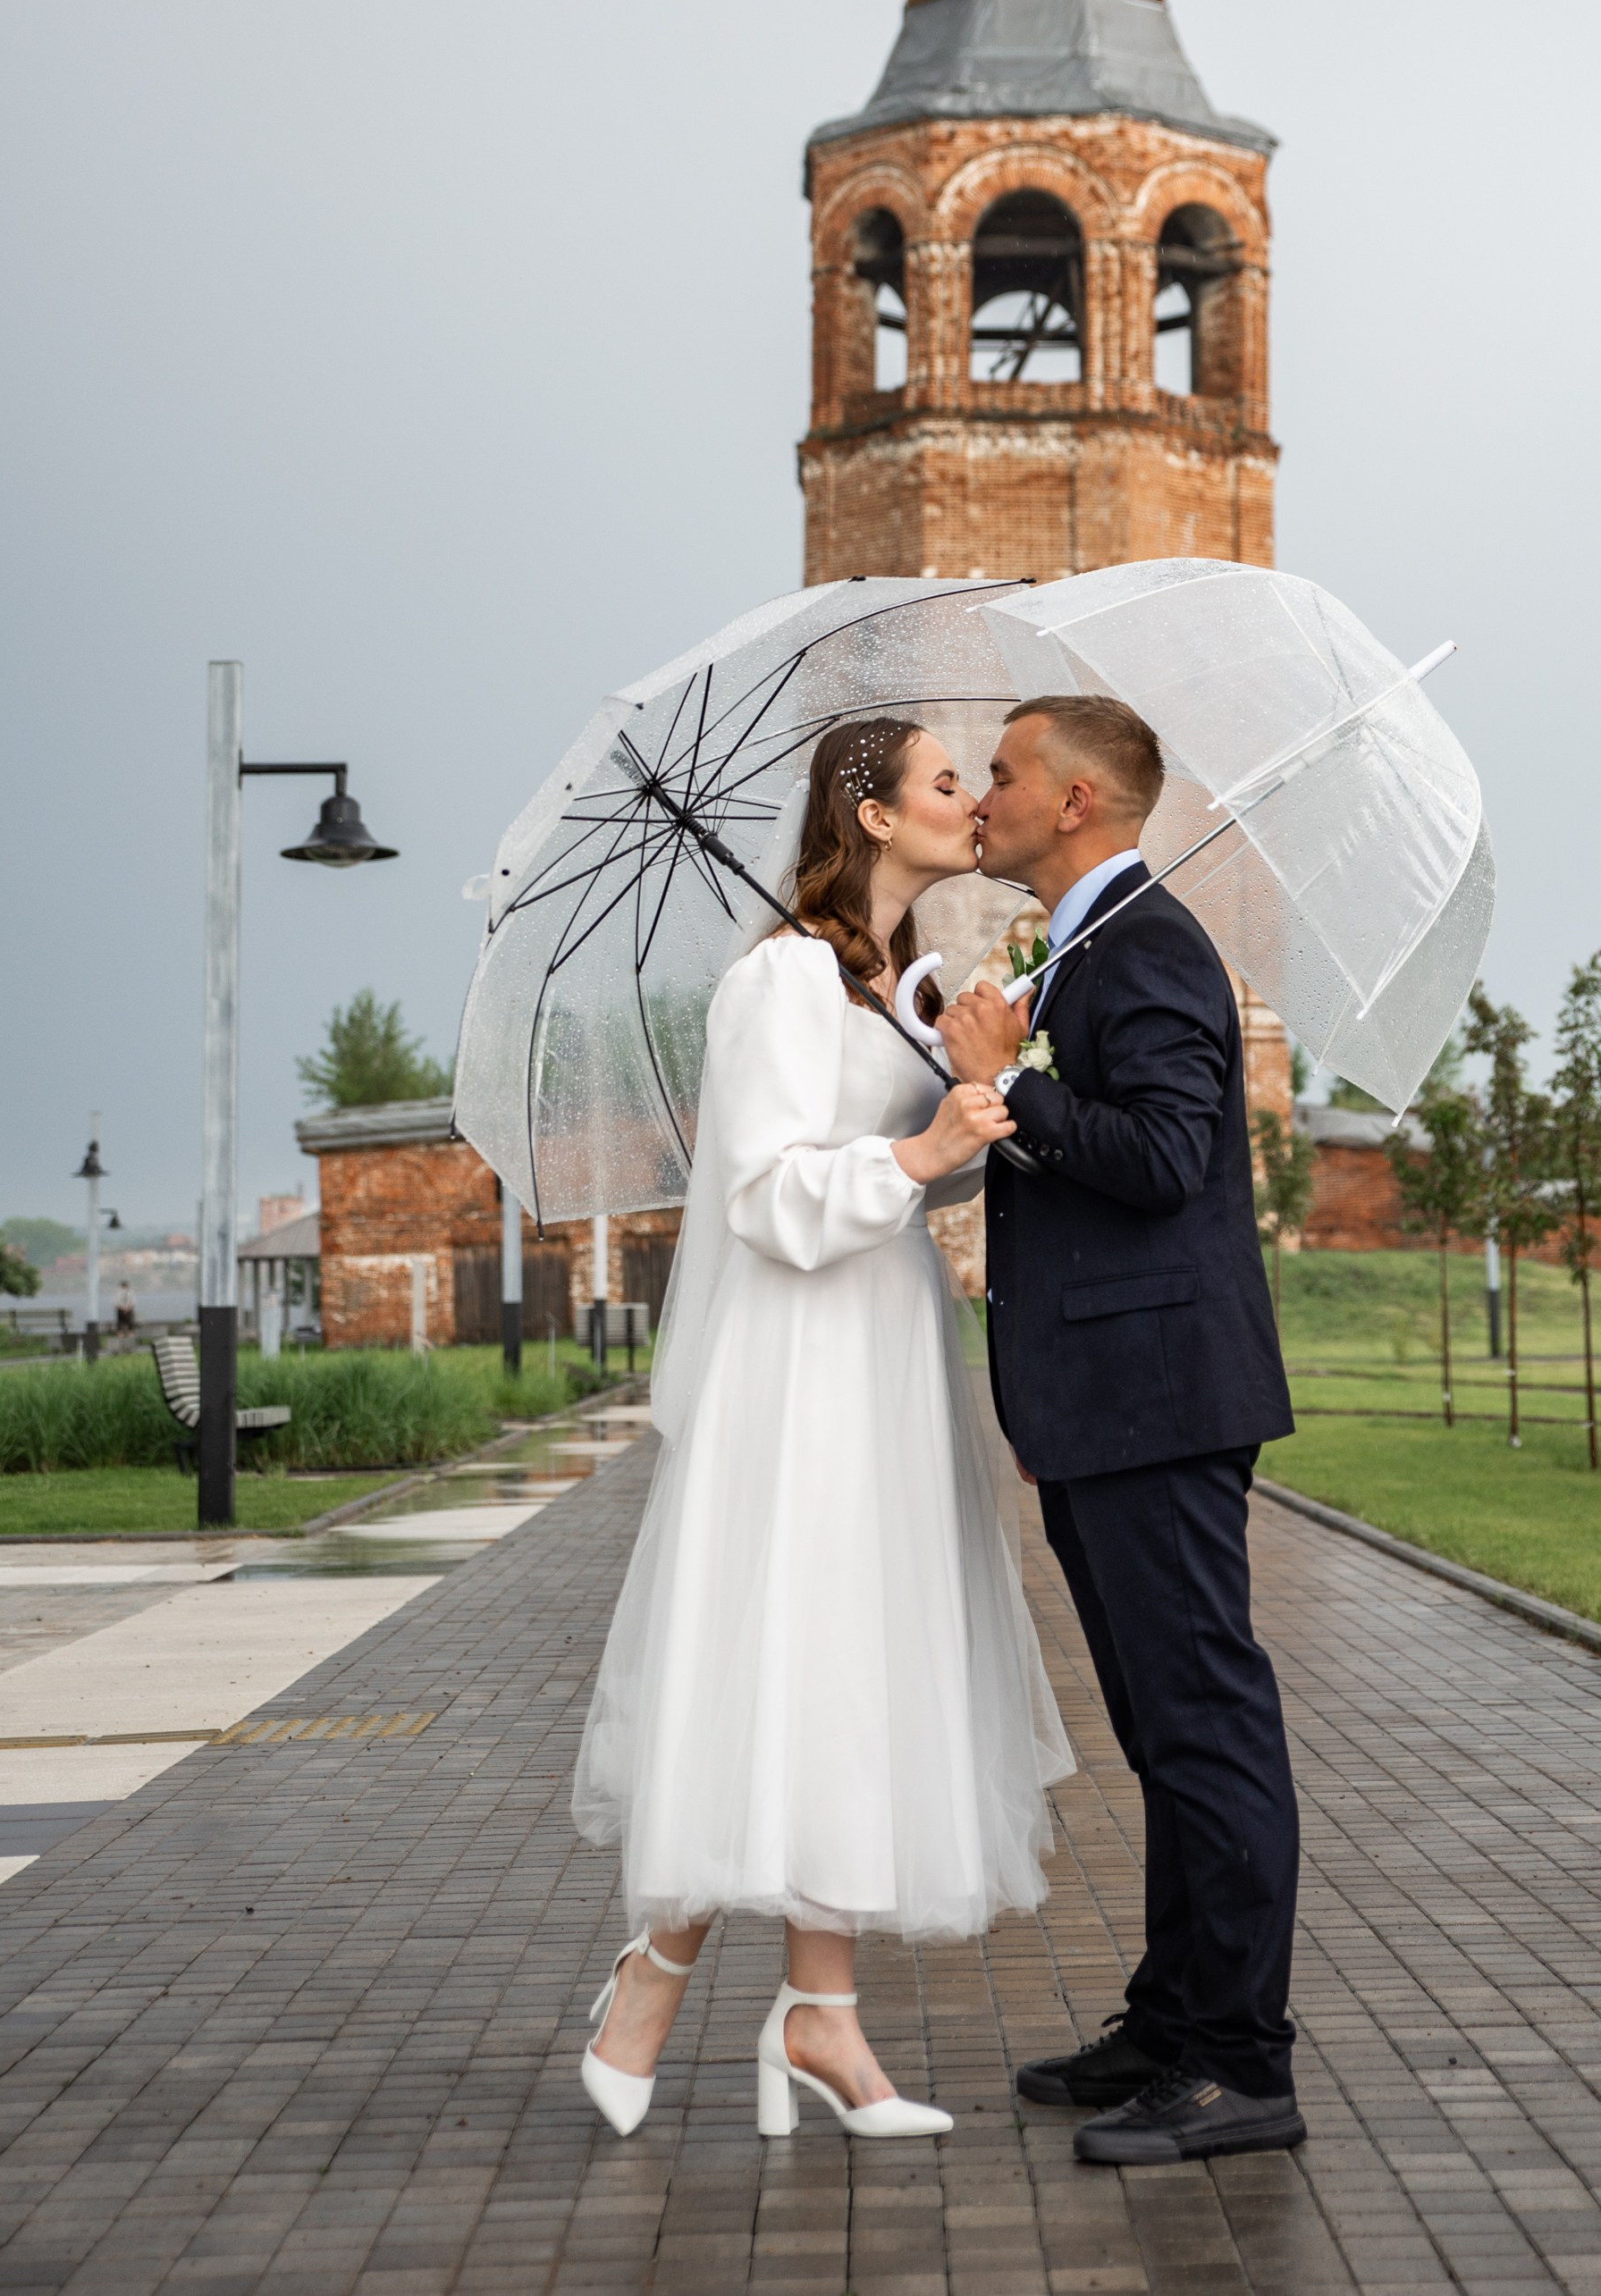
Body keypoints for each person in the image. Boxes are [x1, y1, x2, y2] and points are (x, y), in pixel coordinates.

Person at [571, 715, 1072, 2145]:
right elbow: (765, 1197)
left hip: (888, 1349)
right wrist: (925, 1150)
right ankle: (660, 1978)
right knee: (779, 1654)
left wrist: (977, 1095)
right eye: (941, 780)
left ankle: (822, 2015)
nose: (971, 797)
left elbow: (920, 1174)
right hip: (801, 1366)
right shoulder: (783, 980)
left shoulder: (893, 988)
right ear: (865, 814)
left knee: (861, 1663)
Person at [940, 695, 1303, 2167]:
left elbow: (1164, 1157)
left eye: (1009, 775)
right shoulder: (1085, 949)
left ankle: (1239, 2063)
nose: (985, 798)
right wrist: (1005, 1064)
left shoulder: (1146, 946)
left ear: (1079, 799)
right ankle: (1171, 2018)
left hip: (1159, 1402)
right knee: (1165, 1732)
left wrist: (1013, 1085)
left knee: (1205, 1725)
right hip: (1108, 1404)